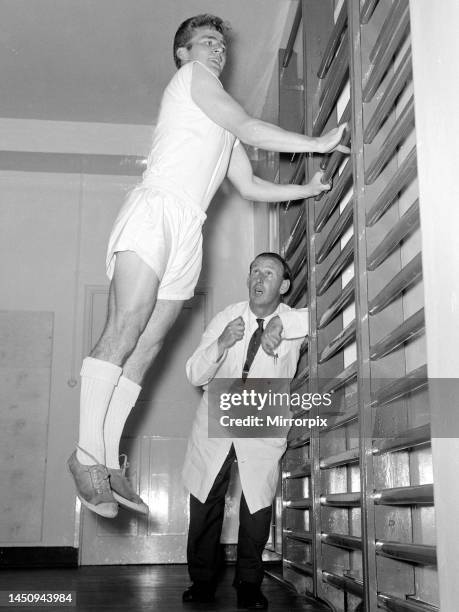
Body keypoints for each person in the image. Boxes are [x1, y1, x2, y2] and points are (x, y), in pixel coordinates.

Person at [67, 13, 348, 519]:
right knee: (125, 329)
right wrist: (316, 142)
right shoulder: (192, 80)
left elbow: (249, 186)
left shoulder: (216, 122)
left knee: (147, 348)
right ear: (183, 53)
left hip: (188, 227)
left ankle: (108, 461)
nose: (218, 50)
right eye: (206, 42)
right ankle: (86, 456)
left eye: (221, 44)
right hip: (156, 208)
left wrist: (305, 188)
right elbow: (247, 124)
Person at [182, 252, 308, 610]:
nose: (258, 277)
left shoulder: (293, 320)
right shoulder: (228, 317)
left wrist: (282, 327)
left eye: (268, 273)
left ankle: (249, 585)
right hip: (219, 416)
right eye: (254, 270)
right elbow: (194, 373)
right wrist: (221, 344)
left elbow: (323, 315)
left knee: (257, 507)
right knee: (205, 503)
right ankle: (202, 582)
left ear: (283, 285)